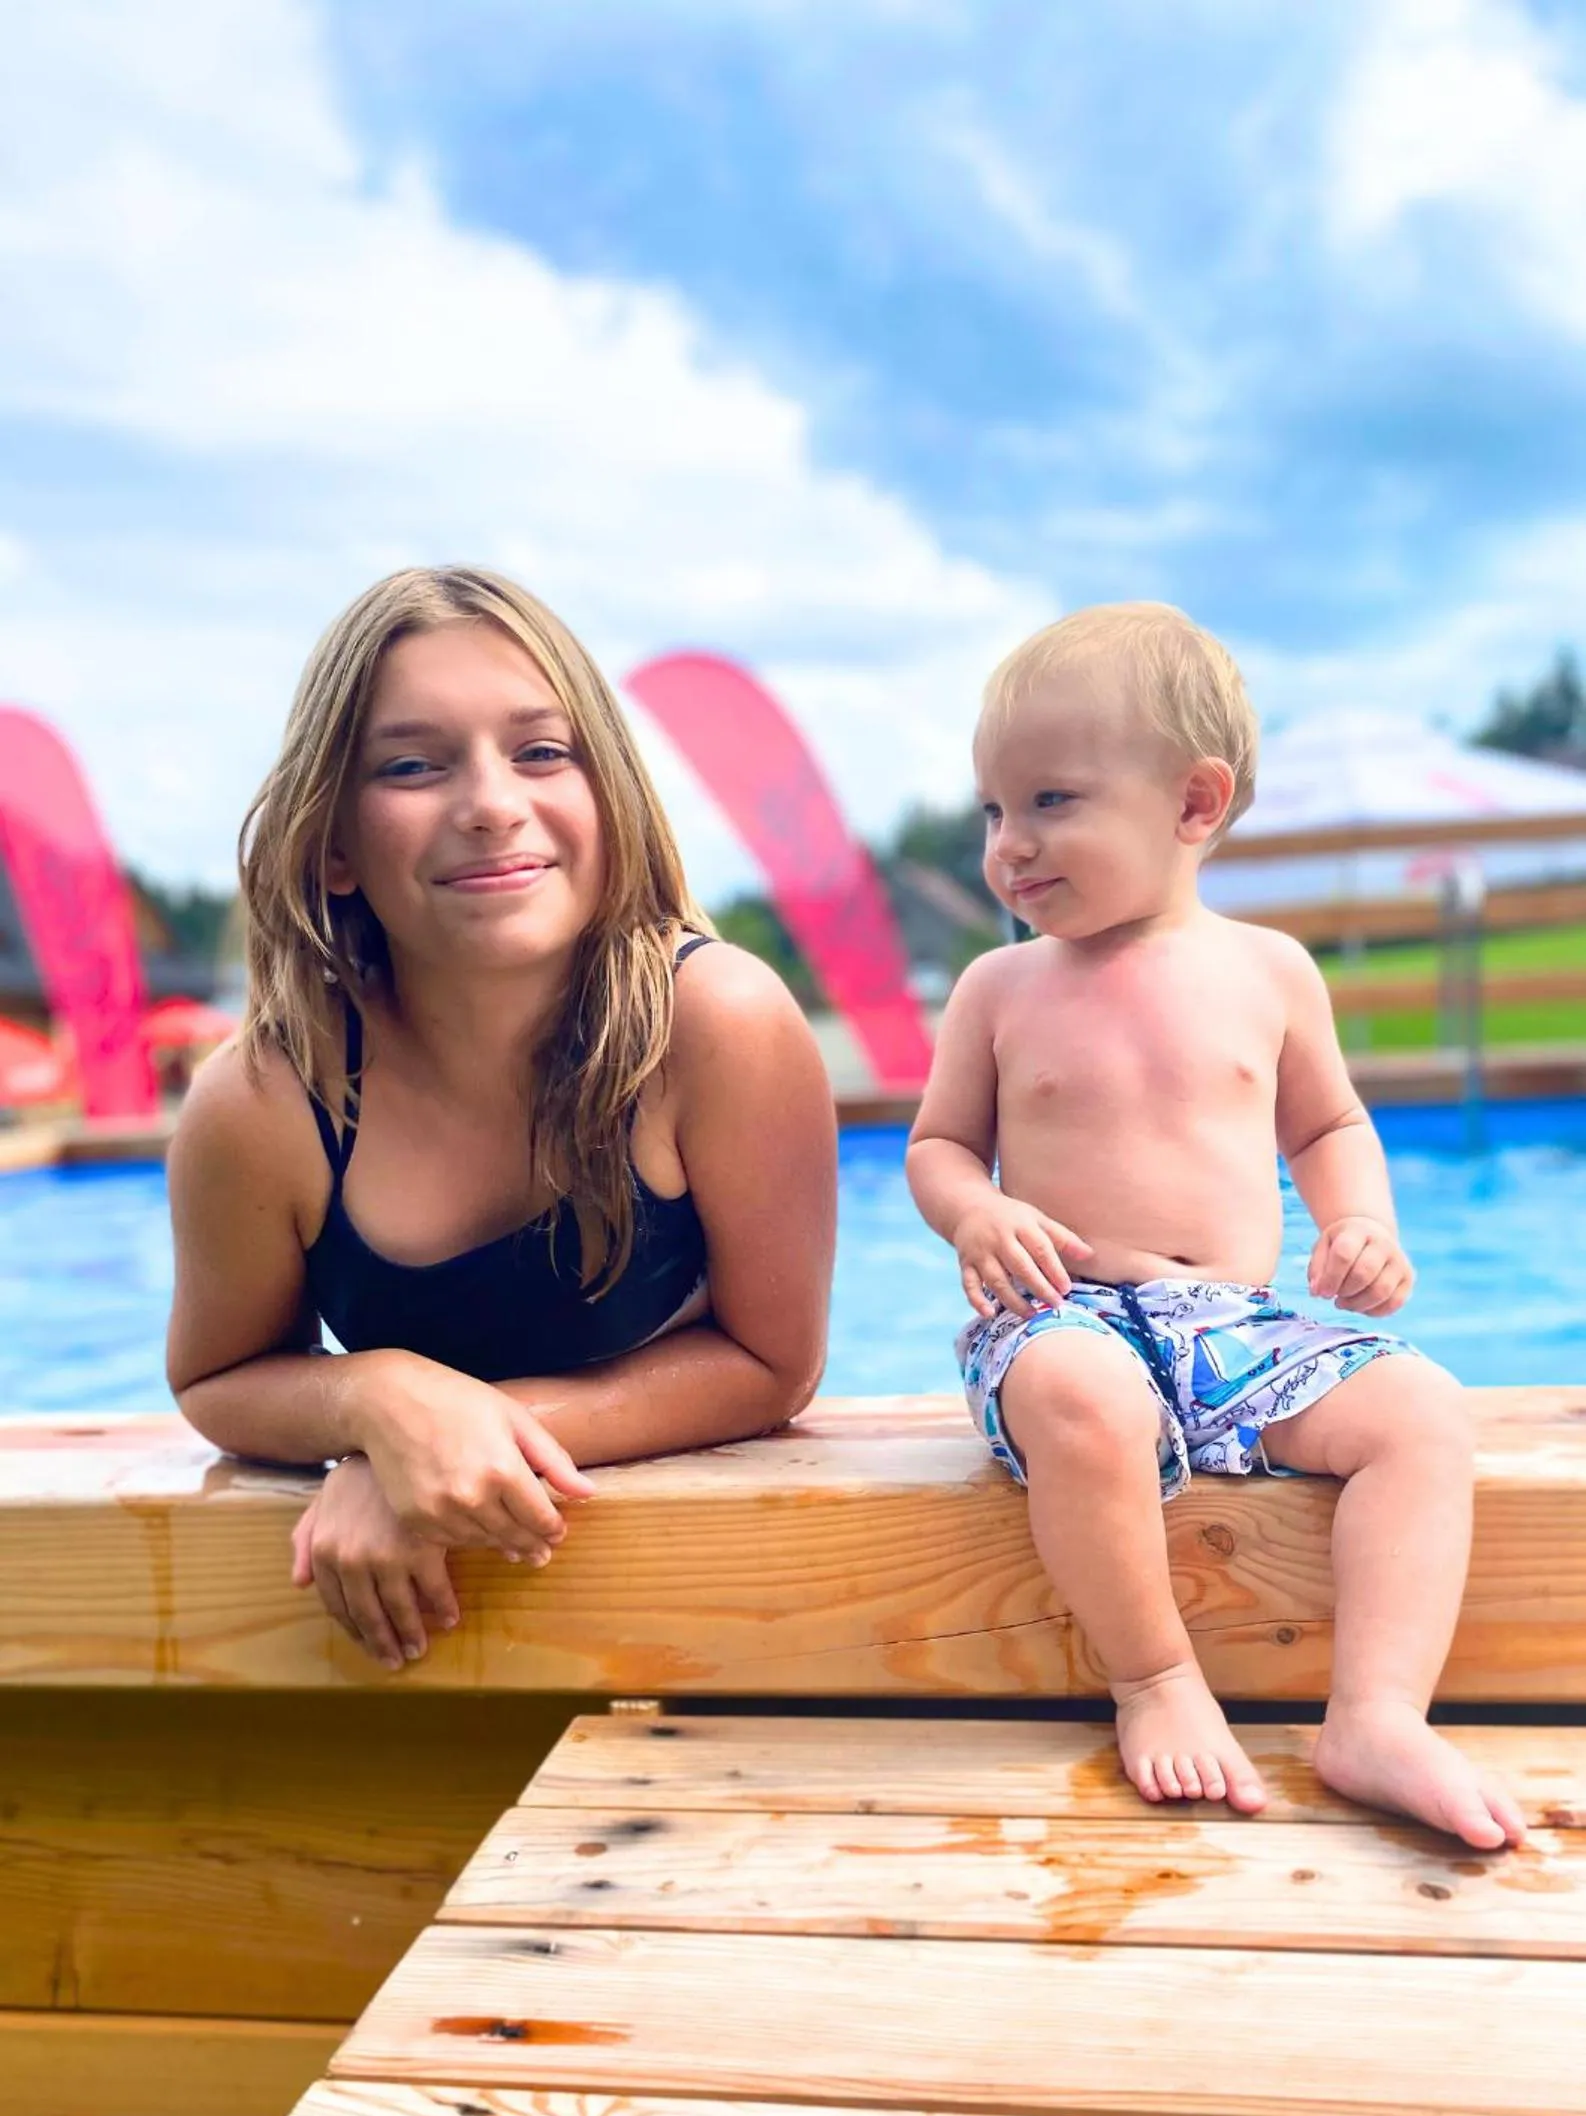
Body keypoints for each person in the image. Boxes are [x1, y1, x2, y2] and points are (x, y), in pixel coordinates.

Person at [906, 602, 1526, 1851]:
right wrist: (976, 1212)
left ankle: (1376, 1714)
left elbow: (1330, 1128)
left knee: (1420, 1416)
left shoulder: (1268, 970)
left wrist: (1358, 1223)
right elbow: (934, 1147)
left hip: (1237, 1326)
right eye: (992, 810)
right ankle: (1154, 1676)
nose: (1008, 845)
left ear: (1192, 805)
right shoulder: (997, 987)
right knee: (1085, 1397)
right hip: (1062, 1309)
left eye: (1050, 802)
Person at [168, 566, 835, 1669]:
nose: (488, 803)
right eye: (412, 766)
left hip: (706, 1618)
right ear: (333, 841)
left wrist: (431, 1443)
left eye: (539, 751)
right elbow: (214, 1380)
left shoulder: (713, 1027)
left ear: (606, 794)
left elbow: (774, 1362)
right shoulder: (265, 1101)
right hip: (404, 1652)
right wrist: (374, 1394)